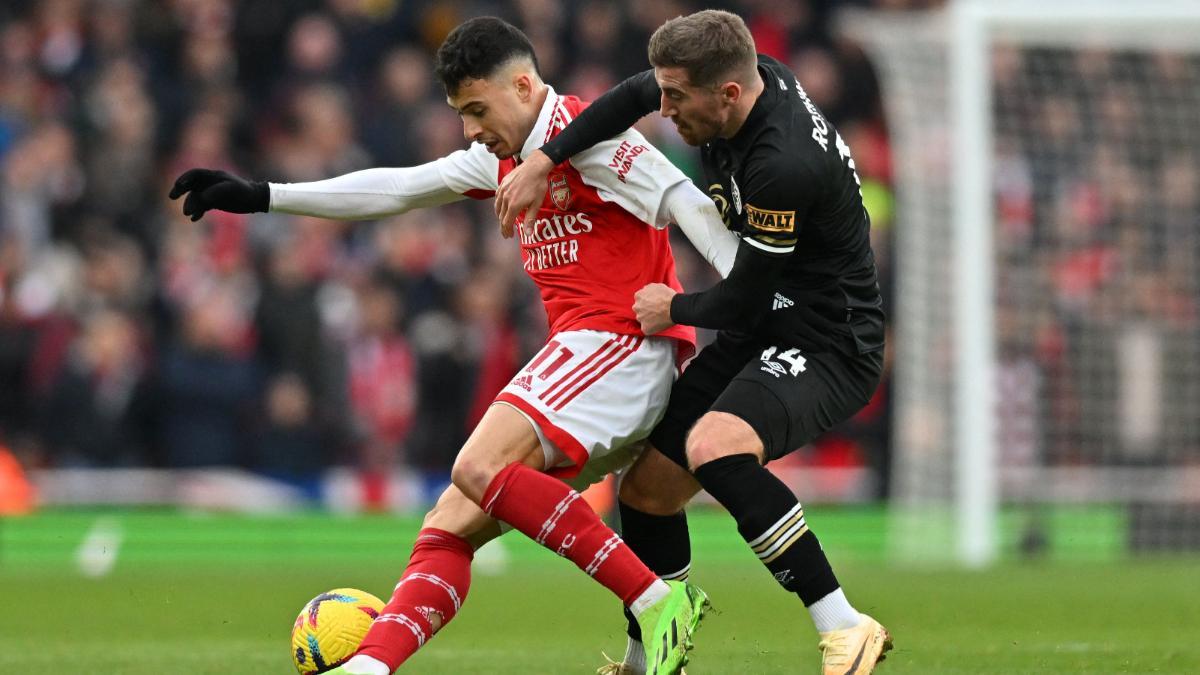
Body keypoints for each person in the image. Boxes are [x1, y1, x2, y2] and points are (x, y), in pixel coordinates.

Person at [169, 16, 738, 675]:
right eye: (460, 113)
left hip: (626, 345)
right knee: (452, 518)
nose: (470, 128)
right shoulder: (497, 157)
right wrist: (265, 195)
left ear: (523, 86)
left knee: (477, 465)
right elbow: (397, 187)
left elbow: (687, 201)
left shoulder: (594, 138)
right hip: (587, 362)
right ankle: (370, 665)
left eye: (476, 108)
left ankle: (655, 597)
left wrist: (754, 298)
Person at [496, 10, 892, 675]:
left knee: (714, 446)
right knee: (647, 487)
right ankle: (652, 657)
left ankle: (845, 624)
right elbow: (626, 99)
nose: (665, 109)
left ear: (727, 94)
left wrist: (672, 306)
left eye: (676, 98)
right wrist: (544, 159)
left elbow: (746, 294)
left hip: (828, 339)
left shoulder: (782, 163)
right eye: (666, 92)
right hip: (766, 322)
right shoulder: (728, 80)